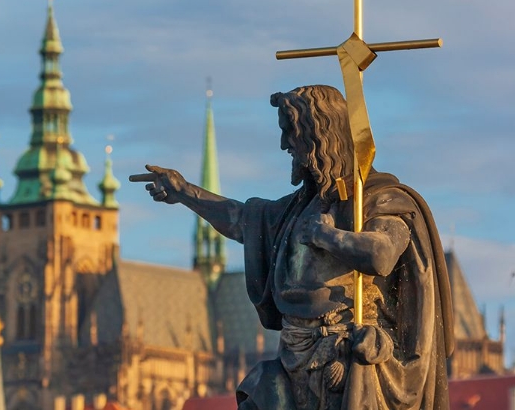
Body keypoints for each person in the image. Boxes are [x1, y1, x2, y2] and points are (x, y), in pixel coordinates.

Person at [129, 85, 453, 410]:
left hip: (348, 358)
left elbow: (381, 255)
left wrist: (327, 236)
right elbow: (241, 219)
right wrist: (184, 191)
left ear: (318, 136)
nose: (284, 145)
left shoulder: (377, 198)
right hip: (293, 357)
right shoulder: (297, 208)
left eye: (290, 134)